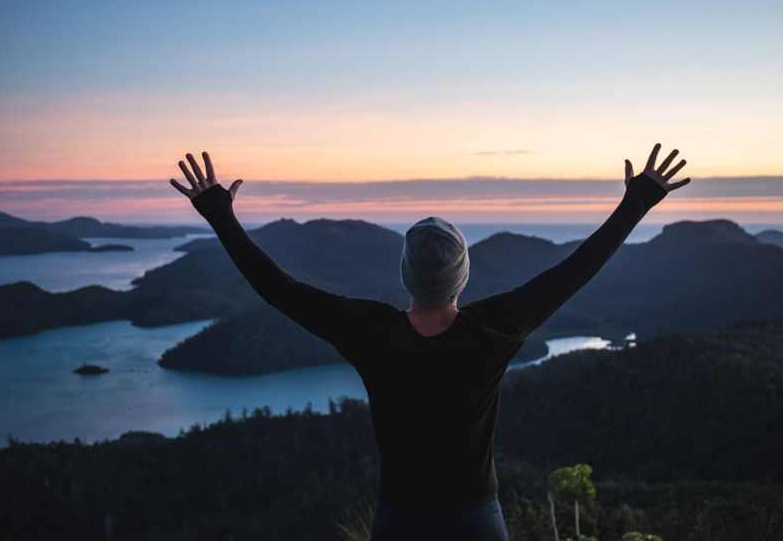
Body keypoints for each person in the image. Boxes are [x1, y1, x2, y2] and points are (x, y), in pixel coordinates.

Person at [170, 143, 690, 540]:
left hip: (400, 521)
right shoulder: (495, 330)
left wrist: (220, 214)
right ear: (463, 277)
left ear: (404, 275)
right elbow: (574, 271)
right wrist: (637, 201)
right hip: (477, 520)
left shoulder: (371, 333)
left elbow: (278, 288)